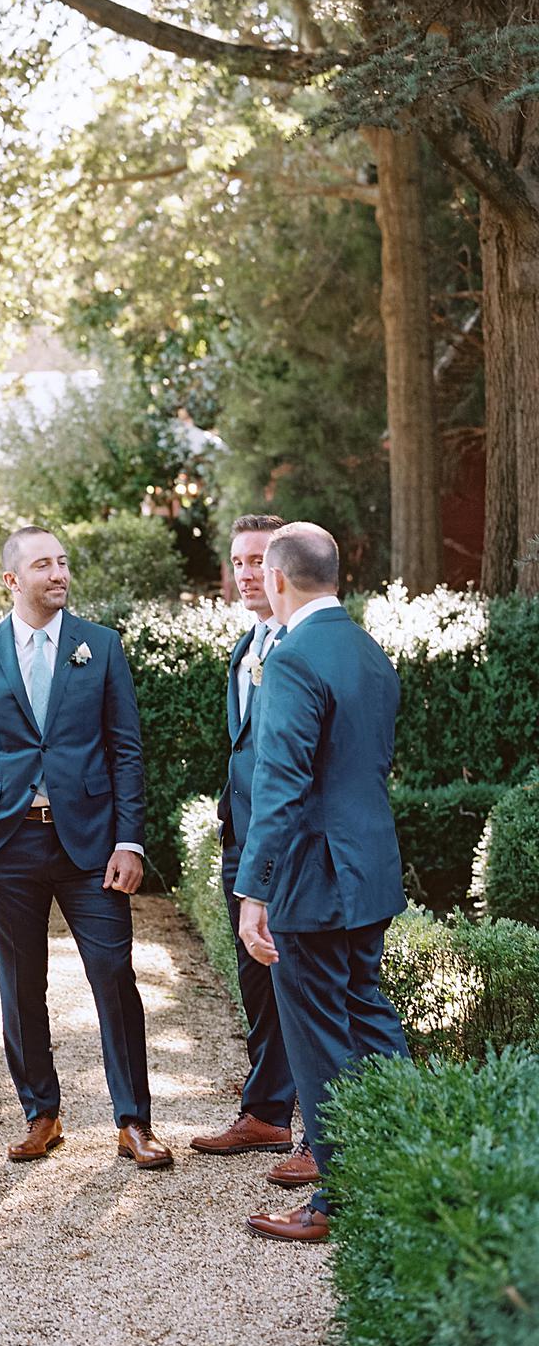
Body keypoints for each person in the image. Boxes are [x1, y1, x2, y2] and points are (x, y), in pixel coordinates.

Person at [0, 524, 172, 1169]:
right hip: (3, 844)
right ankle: (41, 1114)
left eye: (63, 563)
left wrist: (129, 840)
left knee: (115, 976)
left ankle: (134, 1121)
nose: (58, 574)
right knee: (21, 984)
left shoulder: (102, 646)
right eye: (43, 565)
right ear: (12, 579)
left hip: (90, 844)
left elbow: (126, 749)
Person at [235, 522, 410, 1242]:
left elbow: (281, 787)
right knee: (367, 1015)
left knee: (317, 1040)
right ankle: (407, 1162)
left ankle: (332, 1202)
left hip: (312, 877)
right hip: (370, 870)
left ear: (277, 579)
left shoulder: (294, 658)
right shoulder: (371, 654)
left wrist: (256, 890)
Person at [190, 514, 318, 1190]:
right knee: (257, 983)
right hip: (243, 841)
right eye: (236, 561)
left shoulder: (305, 645)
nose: (244, 573)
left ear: (284, 565)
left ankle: (319, 1135)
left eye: (256, 560)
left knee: (300, 985)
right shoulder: (247, 646)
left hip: (290, 848)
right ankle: (267, 1111)